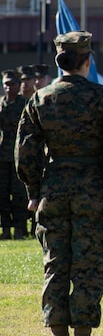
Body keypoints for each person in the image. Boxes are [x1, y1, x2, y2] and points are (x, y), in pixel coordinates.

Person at [16, 31, 103, 336]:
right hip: (92, 189)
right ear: (87, 61)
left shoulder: (40, 99)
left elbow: (26, 151)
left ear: (58, 61)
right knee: (89, 265)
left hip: (54, 189)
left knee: (56, 264)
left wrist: (33, 192)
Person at [1, 69, 30, 240]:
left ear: (19, 85)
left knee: (19, 193)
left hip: (20, 153)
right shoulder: (1, 105)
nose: (9, 87)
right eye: (6, 84)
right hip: (3, 155)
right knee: (3, 194)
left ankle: (20, 228)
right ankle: (5, 228)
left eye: (12, 84)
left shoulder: (25, 104)